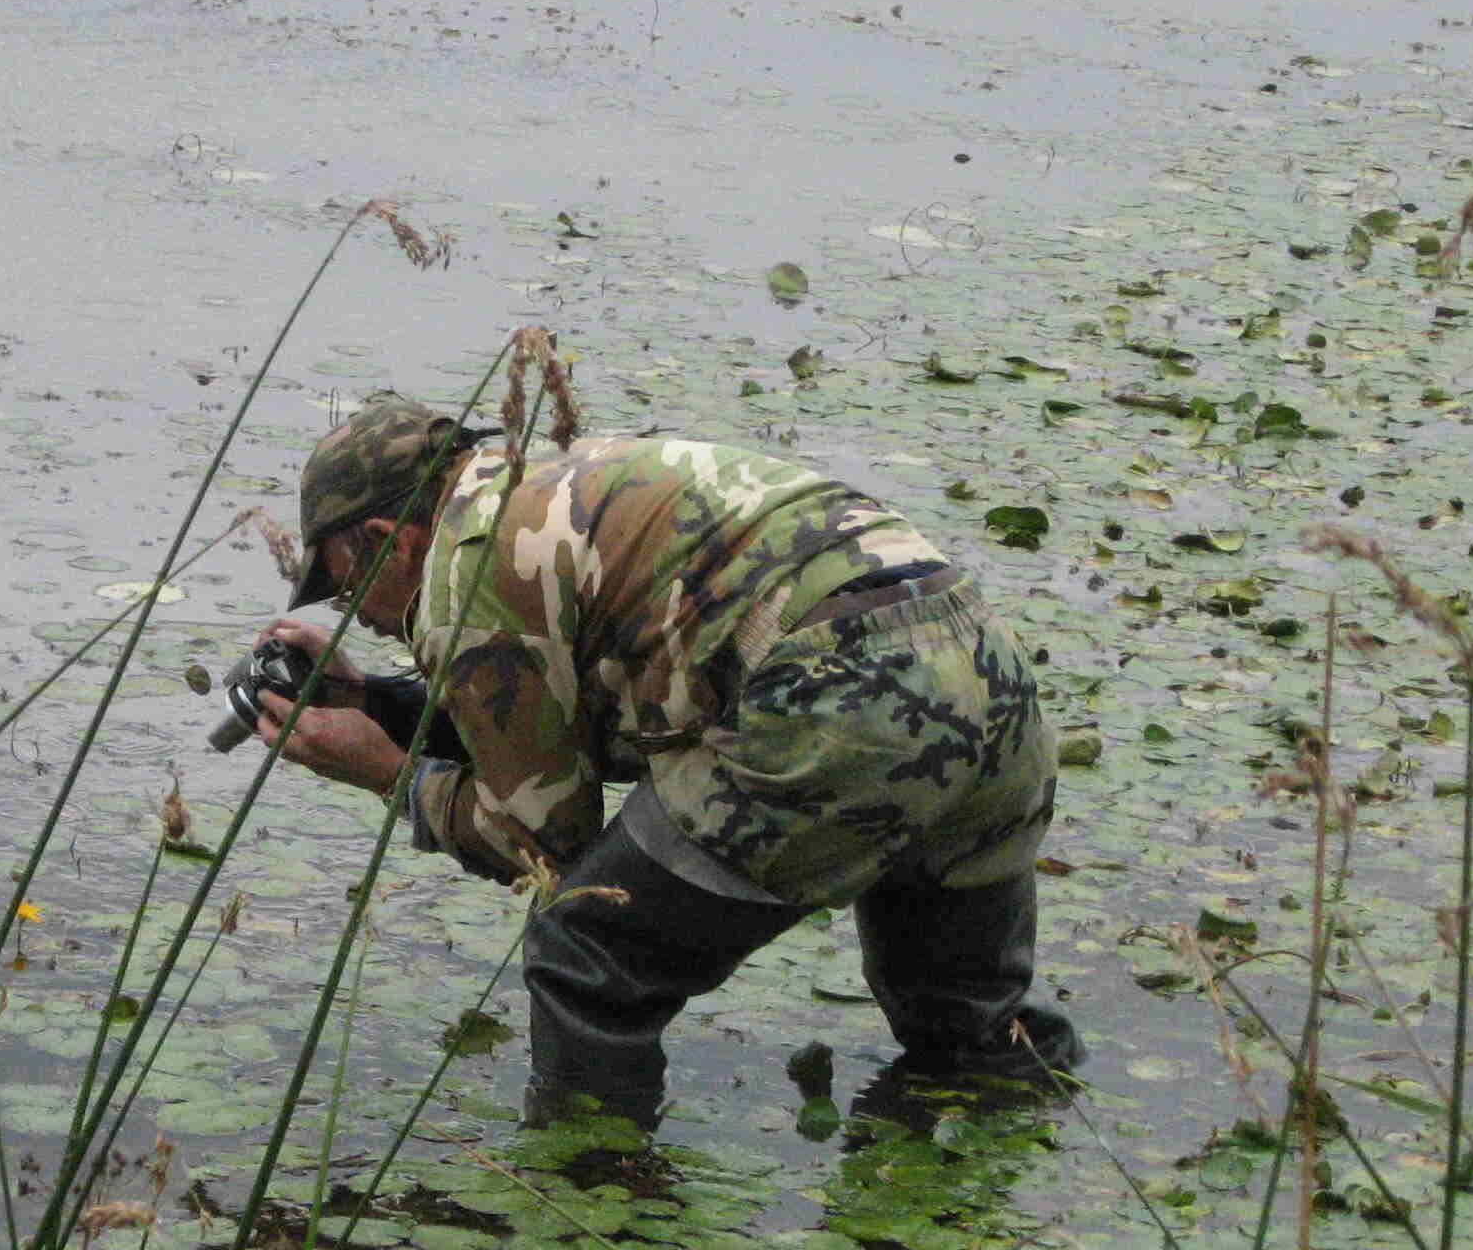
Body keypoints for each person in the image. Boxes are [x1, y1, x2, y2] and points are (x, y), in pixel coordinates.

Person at [248, 392, 1083, 1127]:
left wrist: (388, 775)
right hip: (982, 666)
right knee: (970, 1023)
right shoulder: (546, 486)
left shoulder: (464, 574)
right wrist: (382, 703)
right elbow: (573, 722)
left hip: (839, 699)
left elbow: (543, 843)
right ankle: (1031, 1197)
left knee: (585, 946)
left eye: (344, 587)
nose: (357, 616)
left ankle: (584, 1208)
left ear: (386, 540)